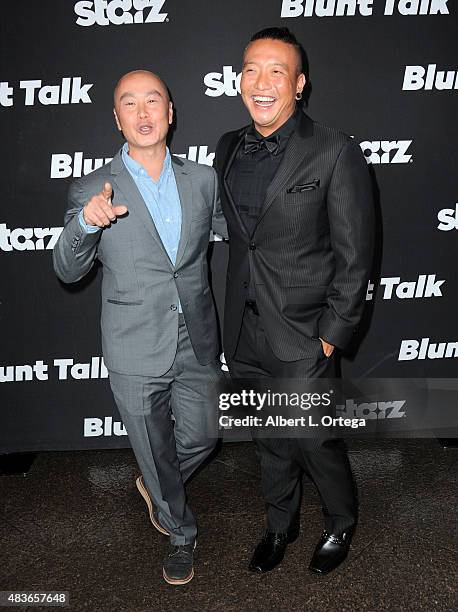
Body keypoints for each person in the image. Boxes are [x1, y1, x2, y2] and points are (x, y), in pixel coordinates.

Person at [53, 70, 227, 585]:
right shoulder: (92, 188)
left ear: (171, 112)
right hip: (133, 344)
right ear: (117, 117)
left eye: (154, 101)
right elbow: (66, 269)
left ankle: (155, 481)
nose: (144, 112)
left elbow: (224, 235)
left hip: (196, 335)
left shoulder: (203, 179)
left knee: (204, 436)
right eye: (130, 104)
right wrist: (86, 224)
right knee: (153, 446)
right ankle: (180, 534)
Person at [214, 28, 374, 575]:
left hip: (304, 333)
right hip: (245, 329)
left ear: (299, 84)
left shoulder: (334, 150)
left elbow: (356, 257)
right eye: (251, 69)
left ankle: (341, 519)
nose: (260, 83)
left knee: (313, 437)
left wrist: (333, 332)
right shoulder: (228, 146)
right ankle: (280, 525)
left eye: (276, 71)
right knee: (270, 437)